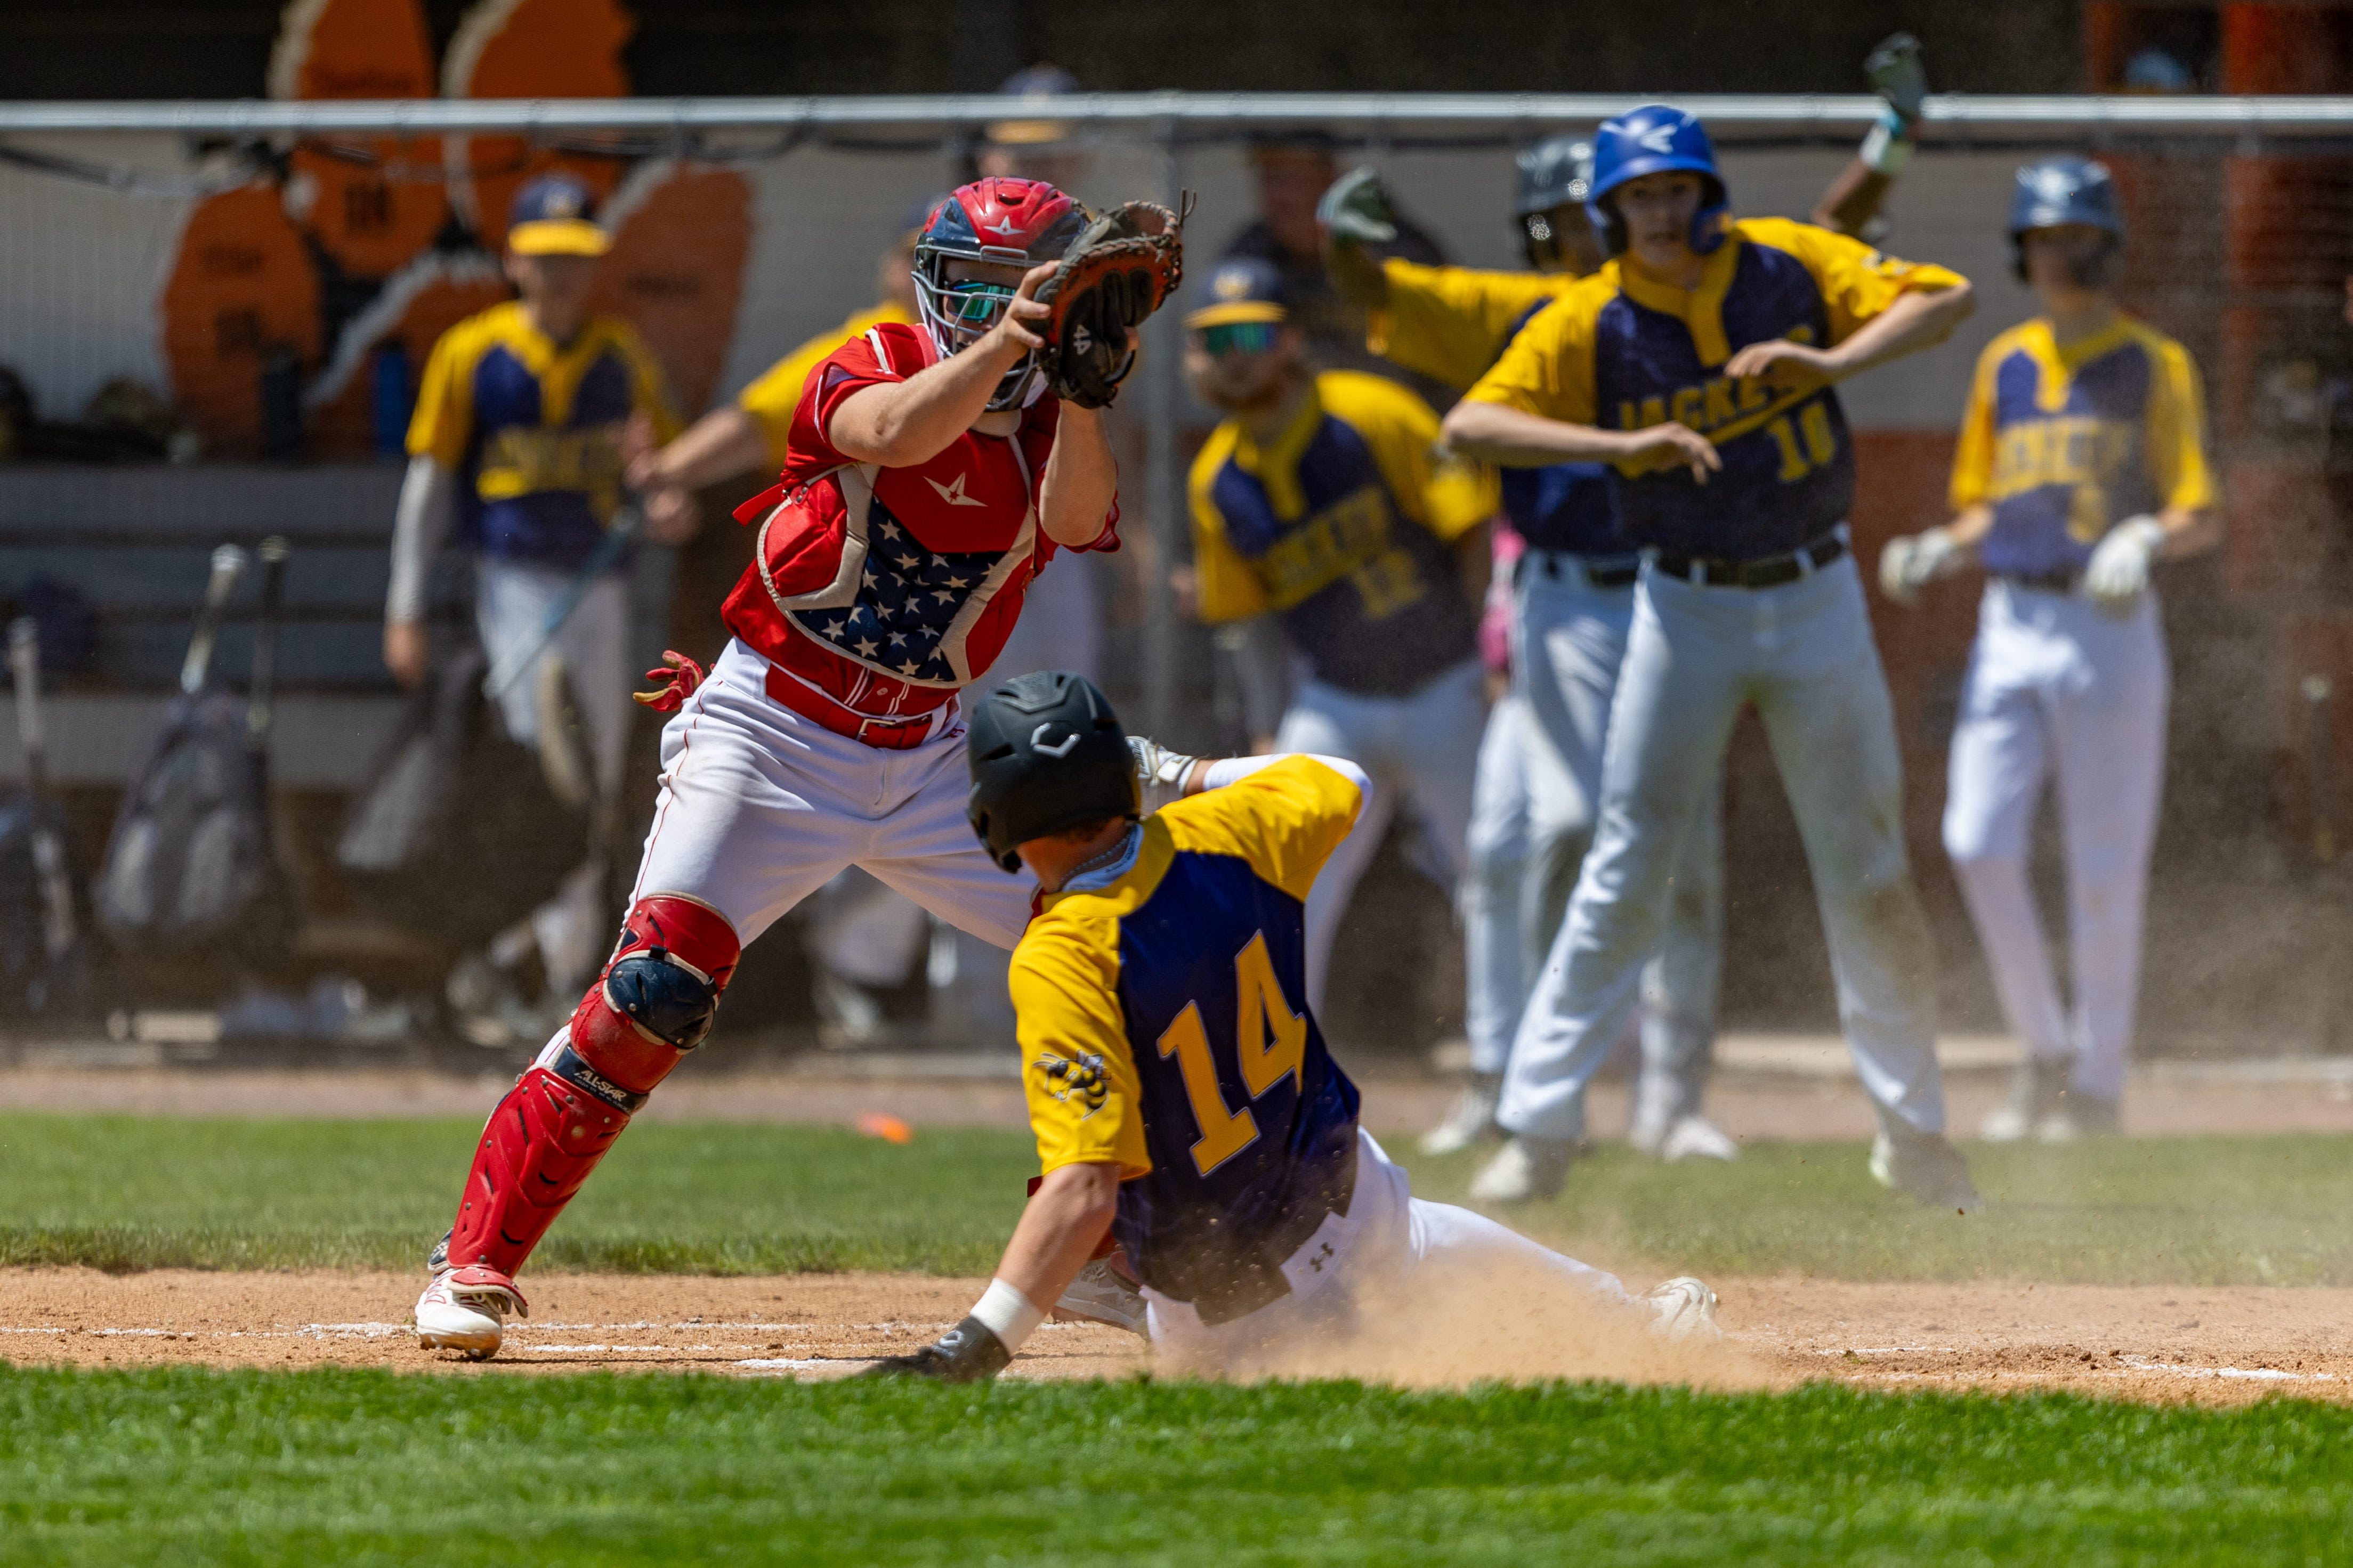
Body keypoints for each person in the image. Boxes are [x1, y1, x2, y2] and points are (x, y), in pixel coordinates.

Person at [413, 176, 1158, 1359]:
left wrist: (1078, 393)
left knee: (1130, 952)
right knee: (657, 986)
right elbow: (899, 433)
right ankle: (476, 1261)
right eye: (974, 288)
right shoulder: (868, 354)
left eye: (1020, 291)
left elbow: (1074, 523)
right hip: (772, 730)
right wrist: (1012, 335)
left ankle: (1103, 1252)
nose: (995, 311)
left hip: (929, 752)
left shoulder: (1044, 415)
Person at [861, 670, 1720, 1382]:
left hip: (1229, 1321)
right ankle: (1635, 1320)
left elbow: (1084, 1185)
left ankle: (1122, 1284)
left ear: (995, 820)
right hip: (1365, 1218)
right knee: (1425, 1234)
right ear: (1120, 776)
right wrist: (1181, 770)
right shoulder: (1224, 831)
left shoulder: (1059, 953)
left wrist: (974, 1345)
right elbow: (1343, 777)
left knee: (1080, 1193)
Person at [1440, 105, 1981, 1207]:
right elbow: (1466, 426)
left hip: (1814, 589)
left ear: (1704, 190)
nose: (1660, 212)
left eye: (1675, 188)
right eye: (1638, 195)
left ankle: (1914, 1135)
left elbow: (1944, 299)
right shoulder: (1589, 320)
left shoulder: (1784, 259)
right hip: (1679, 606)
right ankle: (1537, 1127)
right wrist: (1616, 445)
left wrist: (1825, 359)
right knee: (1624, 862)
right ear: (1608, 211)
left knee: (1867, 867)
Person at [1321, 138, 1731, 1166]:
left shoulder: (1688, 300)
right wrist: (1342, 236)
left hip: (1669, 584)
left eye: (1589, 216)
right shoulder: (1517, 310)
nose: (1579, 239)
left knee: (1666, 840)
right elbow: (1377, 289)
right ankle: (1519, 1081)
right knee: (1523, 845)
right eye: (1560, 222)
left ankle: (1670, 1094)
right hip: (1553, 595)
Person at [1880, 157, 2219, 1141]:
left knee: (2107, 862)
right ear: (2022, 249)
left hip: (2109, 624)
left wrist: (2149, 533)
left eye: (2074, 237)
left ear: (2106, 245)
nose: (2058, 256)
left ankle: (2098, 1084)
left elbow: (2199, 505)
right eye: (2041, 238)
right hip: (2012, 617)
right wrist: (1942, 545)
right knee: (1975, 839)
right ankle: (2044, 1050)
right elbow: (1986, 501)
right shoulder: (2008, 362)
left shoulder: (2155, 361)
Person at [625, 193, 942, 1046]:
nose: (935, 274)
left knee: (960, 794)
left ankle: (925, 984)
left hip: (957, 608)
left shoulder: (1002, 355)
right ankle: (844, 972)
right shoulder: (877, 341)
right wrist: (670, 473)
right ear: (890, 265)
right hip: (869, 620)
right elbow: (759, 417)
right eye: (919, 252)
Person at [383, 173, 690, 1007]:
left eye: (574, 259)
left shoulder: (621, 353)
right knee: (527, 766)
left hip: (600, 588)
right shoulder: (472, 350)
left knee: (588, 776)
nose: (560, 275)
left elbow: (670, 489)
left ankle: (570, 965)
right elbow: (430, 485)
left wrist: (658, 492)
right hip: (509, 587)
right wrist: (404, 606)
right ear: (513, 261)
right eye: (544, 258)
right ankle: (502, 953)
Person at [1185, 257, 1495, 1017]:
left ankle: (1511, 1077)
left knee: (1493, 872)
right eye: (1215, 341)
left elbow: (1470, 532)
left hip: (1446, 681)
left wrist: (1494, 659)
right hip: (1332, 700)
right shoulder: (1216, 475)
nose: (1236, 357)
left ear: (1291, 339)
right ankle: (1282, 1075)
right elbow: (1248, 620)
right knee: (1284, 875)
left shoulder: (1370, 410)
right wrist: (1265, 724)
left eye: (1253, 333)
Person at [1223, 132, 1445, 381]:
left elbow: (1444, 343)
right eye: (1270, 178)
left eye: (1291, 177)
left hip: (1397, 406)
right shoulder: (1249, 256)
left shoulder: (1391, 242)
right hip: (1297, 414)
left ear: (1331, 178)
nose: (1279, 193)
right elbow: (1225, 354)